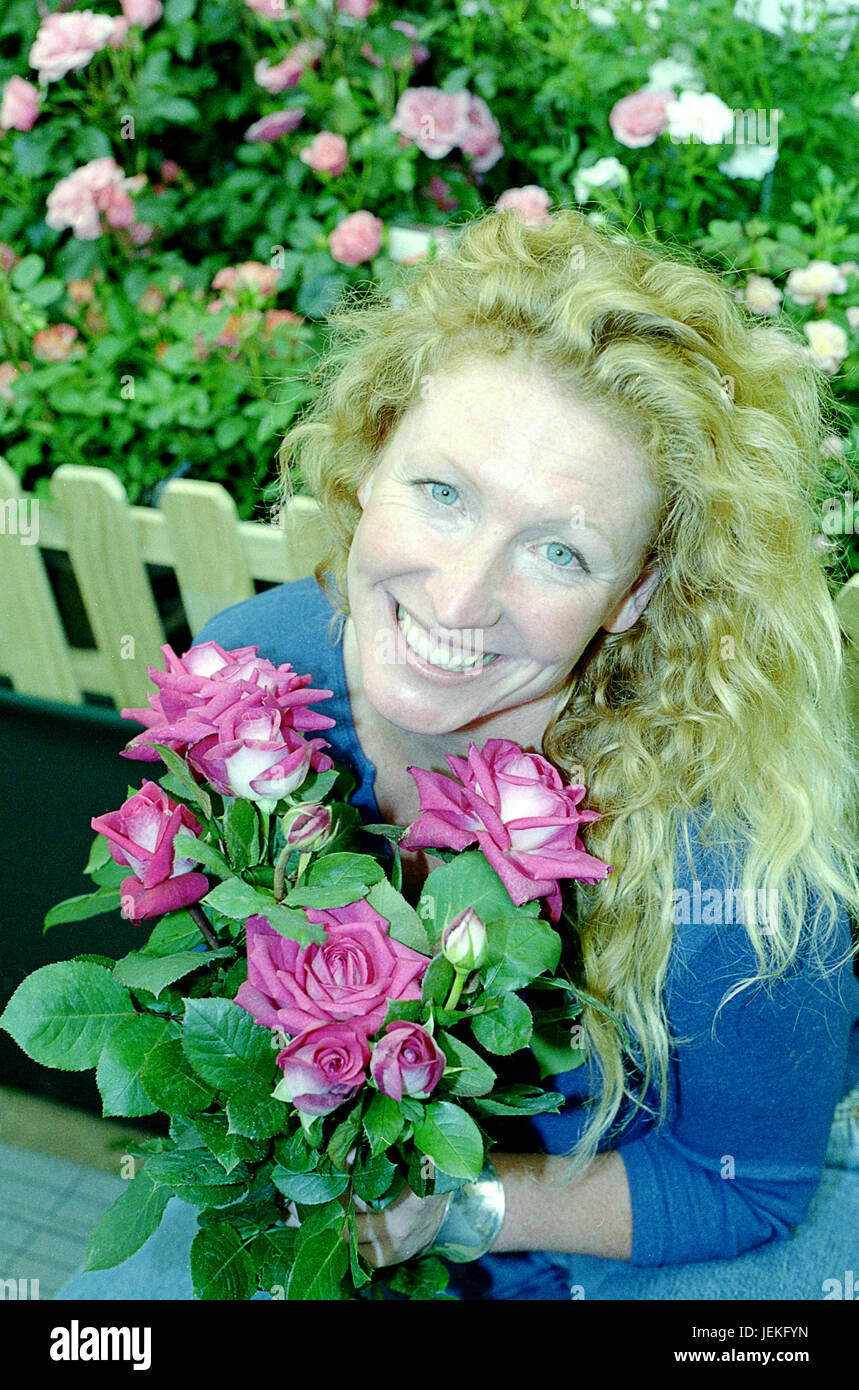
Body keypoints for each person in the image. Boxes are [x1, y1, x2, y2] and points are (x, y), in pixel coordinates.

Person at [57, 206, 859, 1301]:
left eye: (558, 549)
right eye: (442, 494)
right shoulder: (249, 686)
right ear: (369, 458)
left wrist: (461, 1204)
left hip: (625, 1222)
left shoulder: (730, 860)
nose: (460, 595)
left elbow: (749, 1185)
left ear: (633, 595)